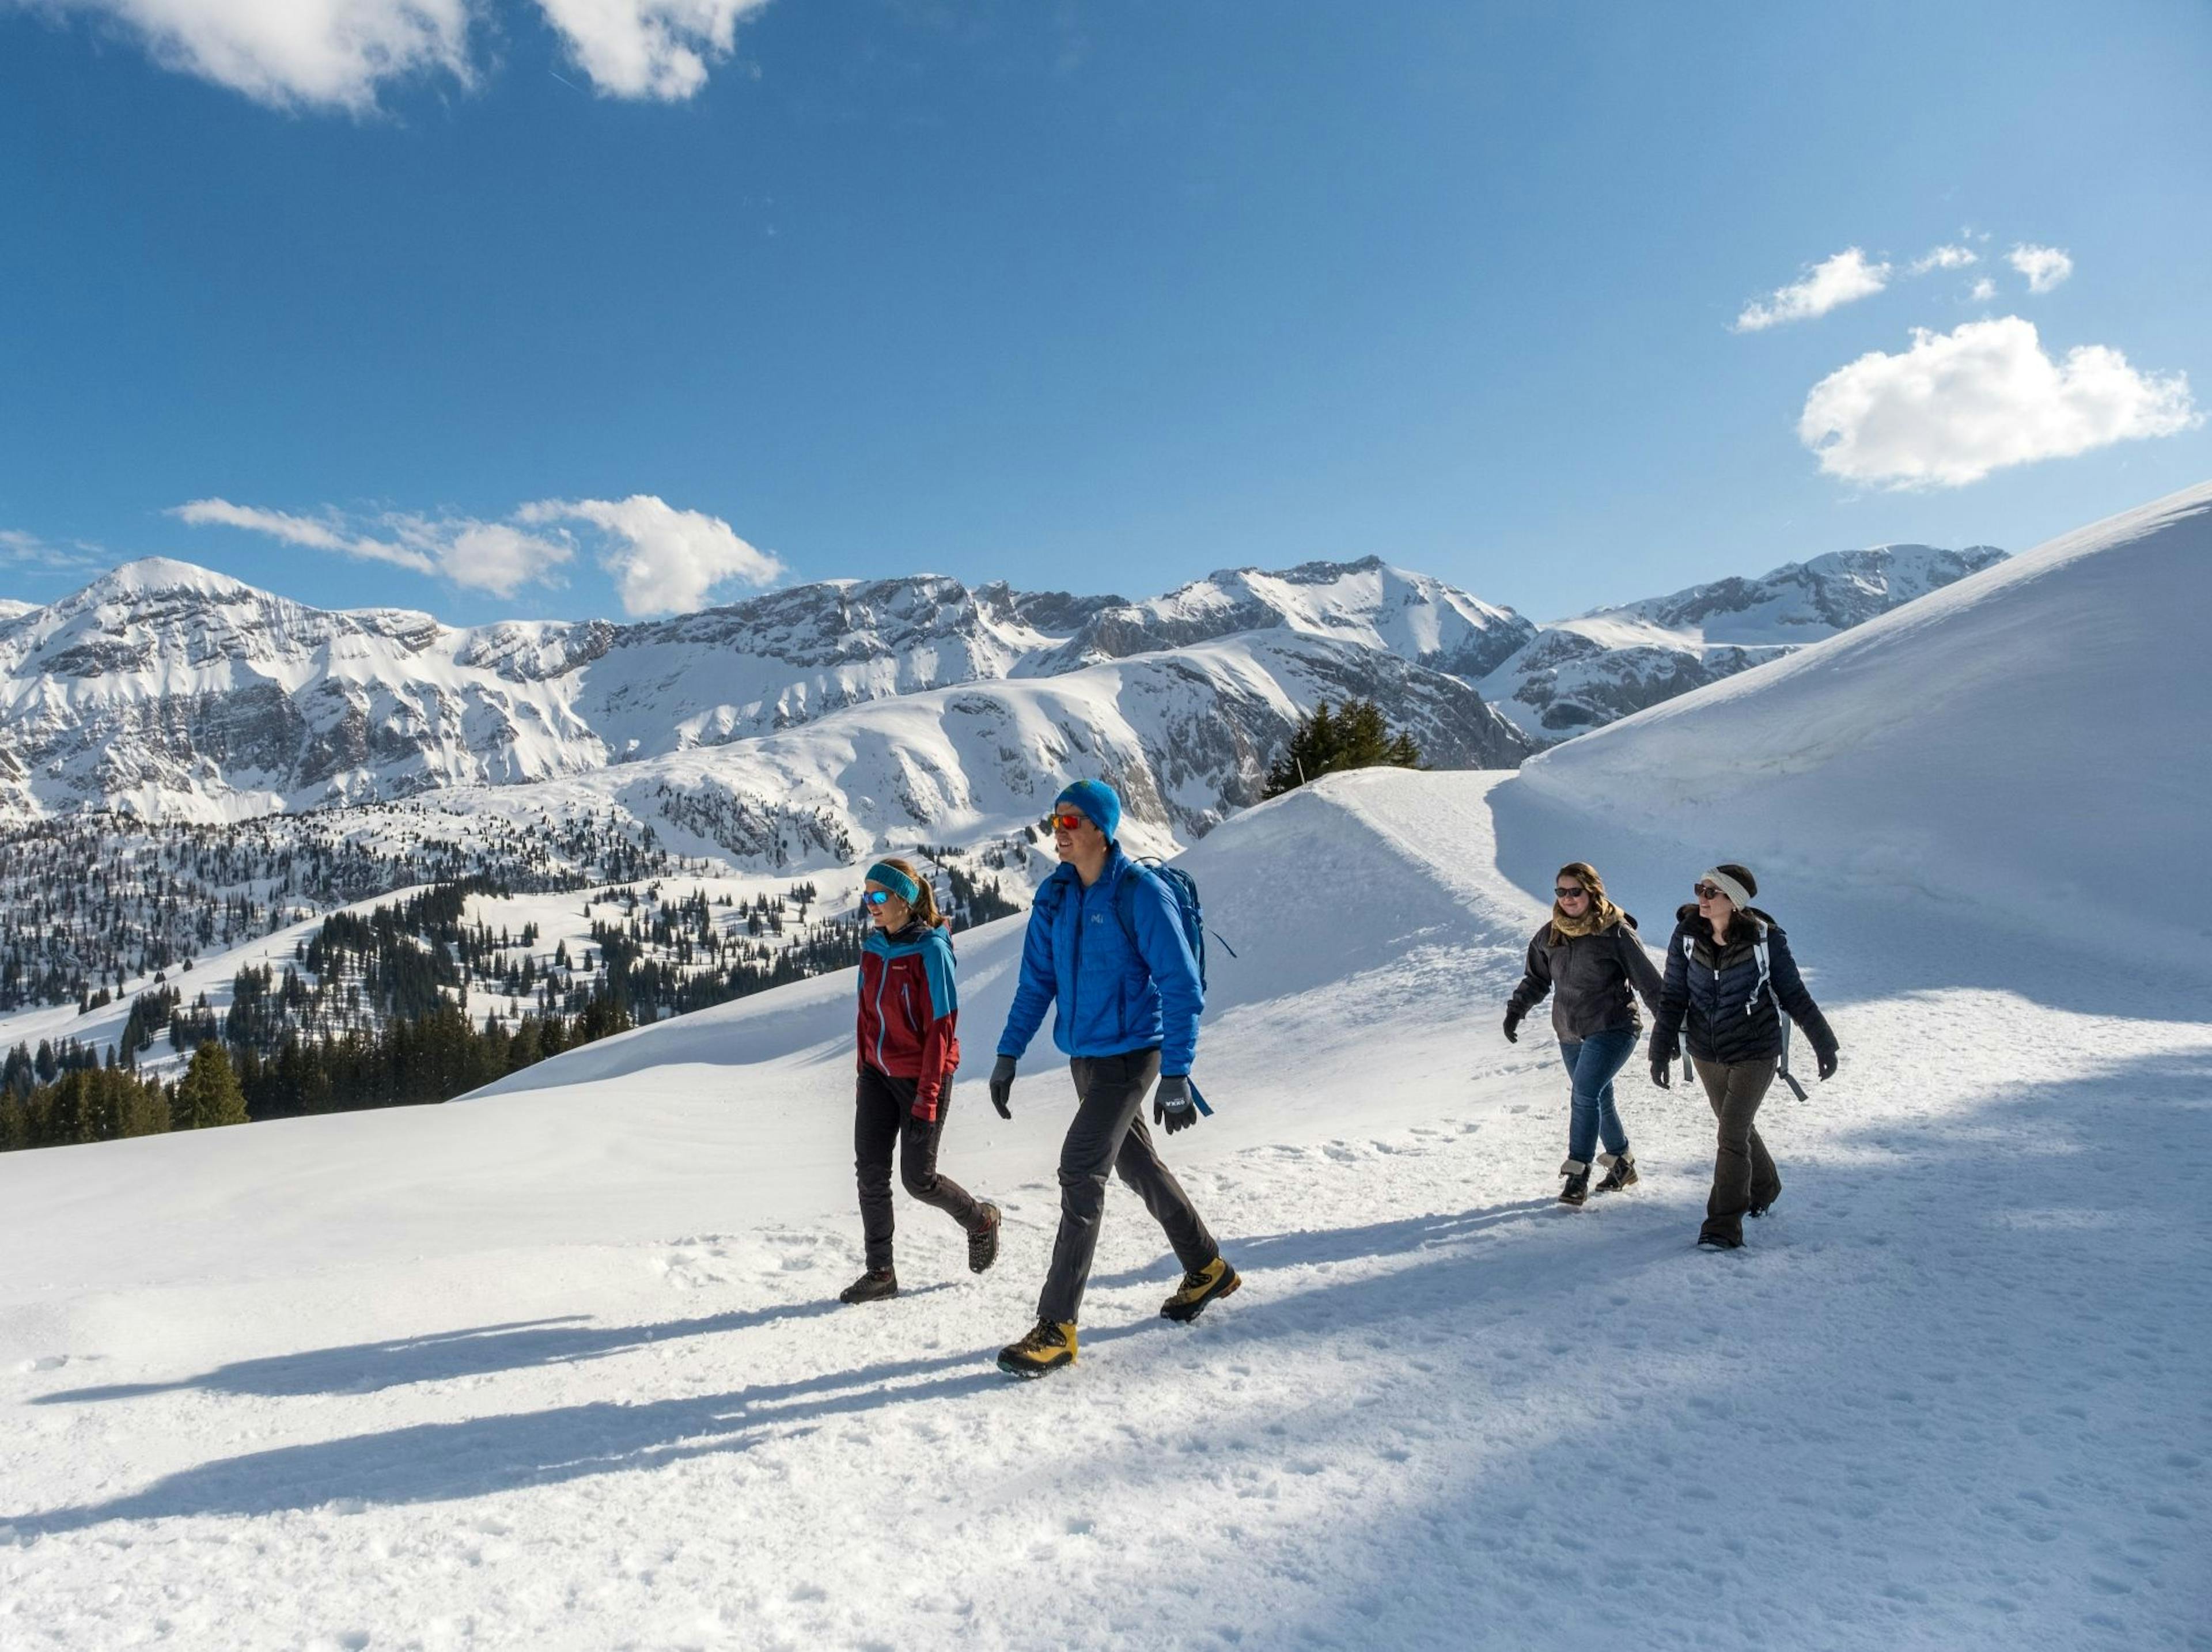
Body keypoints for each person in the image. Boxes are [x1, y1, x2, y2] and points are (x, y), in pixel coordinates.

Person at [987, 779, 1237, 1378]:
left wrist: (1176, 1073)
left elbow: (1182, 987)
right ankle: (1208, 1267)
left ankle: (1057, 1327)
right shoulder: (1055, 898)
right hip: (1086, 1057)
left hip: (1133, 1056)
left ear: (1101, 827)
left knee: (1081, 1169)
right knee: (1135, 1165)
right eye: (1055, 821)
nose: (1059, 833)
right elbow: (1036, 985)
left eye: (1071, 822)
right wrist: (1007, 1054)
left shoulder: (1139, 894)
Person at [1647, 863, 1840, 1251]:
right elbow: (1673, 998)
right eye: (1699, 888)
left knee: (1731, 1133)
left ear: (1733, 901)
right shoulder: (1686, 936)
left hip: (1755, 1051)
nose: (1701, 897)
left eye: (1711, 892)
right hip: (1706, 1051)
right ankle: (1765, 1186)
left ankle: (1722, 1225)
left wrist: (1824, 1043)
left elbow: (1794, 995)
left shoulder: (1765, 941)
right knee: (1737, 1125)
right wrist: (1659, 1050)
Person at [838, 857, 1001, 1304]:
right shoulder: (873, 949)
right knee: (870, 1172)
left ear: (904, 900)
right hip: (877, 1075)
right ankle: (881, 1273)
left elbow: (941, 1028)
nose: (869, 904)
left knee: (919, 1179)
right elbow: (866, 1017)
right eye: (866, 895)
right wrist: (863, 1073)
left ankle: (981, 1220)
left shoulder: (932, 950)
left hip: (922, 1076)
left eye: (878, 896)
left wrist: (928, 1095)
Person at [1503, 861, 1665, 1205]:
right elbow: (1537, 979)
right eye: (1560, 892)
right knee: (1598, 1097)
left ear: (1592, 892)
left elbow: (1649, 984)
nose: (1567, 898)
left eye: (1574, 892)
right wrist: (1517, 1009)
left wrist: (1669, 1030)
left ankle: (1578, 1173)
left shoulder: (1615, 932)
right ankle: (1622, 1163)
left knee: (1584, 1094)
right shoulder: (1550, 935)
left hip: (1613, 1027)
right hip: (1570, 1033)